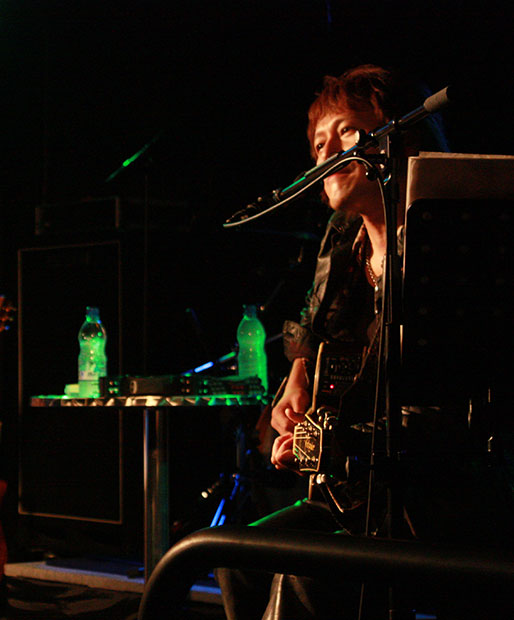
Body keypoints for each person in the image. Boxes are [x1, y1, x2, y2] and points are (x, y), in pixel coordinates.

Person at [216, 65, 514, 619]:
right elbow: (320, 339)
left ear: (404, 139)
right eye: (318, 145)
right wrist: (302, 404)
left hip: (444, 494)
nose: (327, 155)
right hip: (361, 494)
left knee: (306, 574)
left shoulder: (456, 244)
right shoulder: (343, 247)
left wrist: (341, 439)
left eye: (347, 133)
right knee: (237, 556)